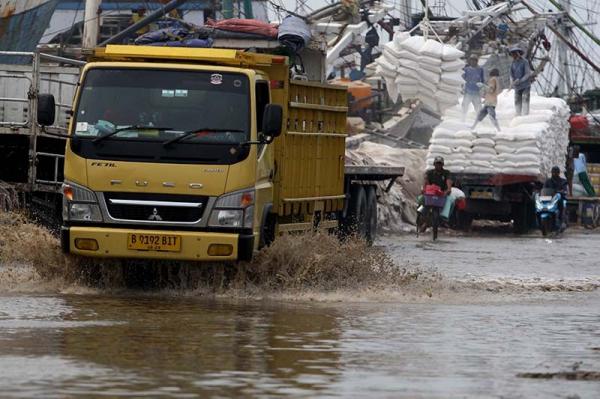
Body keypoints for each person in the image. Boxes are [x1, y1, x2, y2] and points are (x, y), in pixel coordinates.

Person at [509, 45, 531, 116]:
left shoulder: (525, 62)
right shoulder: (513, 63)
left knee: (525, 99)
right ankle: (518, 114)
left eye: (515, 54)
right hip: (517, 86)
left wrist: (520, 80)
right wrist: (512, 81)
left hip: (525, 85)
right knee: (517, 101)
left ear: (519, 54)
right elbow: (511, 74)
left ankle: (525, 114)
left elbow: (527, 74)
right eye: (513, 54)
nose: (514, 56)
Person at [462, 55, 485, 119]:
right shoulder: (466, 69)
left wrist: (482, 89)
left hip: (476, 92)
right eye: (471, 60)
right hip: (468, 92)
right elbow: (463, 79)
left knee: (478, 109)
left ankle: (479, 121)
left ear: (476, 61)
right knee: (464, 106)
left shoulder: (480, 69)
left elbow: (482, 80)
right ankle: (463, 119)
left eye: (474, 60)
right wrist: (462, 87)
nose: (472, 62)